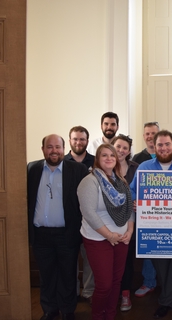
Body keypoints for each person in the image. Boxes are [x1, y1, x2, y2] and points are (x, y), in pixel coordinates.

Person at [130, 130, 172, 320]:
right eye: (160, 145)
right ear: (154, 146)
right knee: (163, 269)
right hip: (155, 229)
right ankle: (166, 302)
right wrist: (135, 201)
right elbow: (133, 191)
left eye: (167, 144)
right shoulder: (144, 167)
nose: (164, 148)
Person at [27, 134, 88, 320]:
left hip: (66, 234)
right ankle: (49, 309)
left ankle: (68, 310)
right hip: (40, 234)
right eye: (49, 147)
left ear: (64, 148)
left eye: (58, 147)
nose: (54, 151)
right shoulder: (32, 169)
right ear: (43, 149)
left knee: (68, 274)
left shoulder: (78, 170)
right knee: (46, 275)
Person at [77, 143, 134, 320]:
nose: (109, 158)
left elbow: (128, 209)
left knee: (116, 281)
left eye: (112, 155)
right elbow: (89, 213)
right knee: (104, 284)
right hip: (98, 239)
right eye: (104, 155)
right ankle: (97, 315)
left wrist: (130, 232)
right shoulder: (90, 181)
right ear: (98, 159)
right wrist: (109, 235)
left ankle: (110, 314)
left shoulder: (120, 181)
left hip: (122, 239)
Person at [65, 126, 95, 304]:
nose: (78, 142)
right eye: (75, 139)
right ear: (70, 140)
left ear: (87, 141)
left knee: (90, 258)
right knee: (70, 260)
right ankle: (73, 292)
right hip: (69, 220)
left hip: (90, 220)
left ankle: (89, 292)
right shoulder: (62, 161)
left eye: (82, 139)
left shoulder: (95, 161)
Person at [130, 122, 159, 299]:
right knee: (148, 249)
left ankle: (168, 283)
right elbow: (134, 187)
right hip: (146, 215)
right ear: (144, 136)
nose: (150, 136)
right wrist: (135, 201)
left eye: (153, 133)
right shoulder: (138, 158)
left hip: (169, 214)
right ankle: (149, 282)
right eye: (147, 133)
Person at [111, 134, 140, 311]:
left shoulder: (136, 168)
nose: (121, 150)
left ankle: (125, 295)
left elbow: (144, 190)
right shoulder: (104, 165)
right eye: (118, 146)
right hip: (109, 223)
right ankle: (111, 295)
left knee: (126, 261)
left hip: (131, 223)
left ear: (129, 151)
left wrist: (139, 202)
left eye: (125, 148)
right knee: (109, 262)